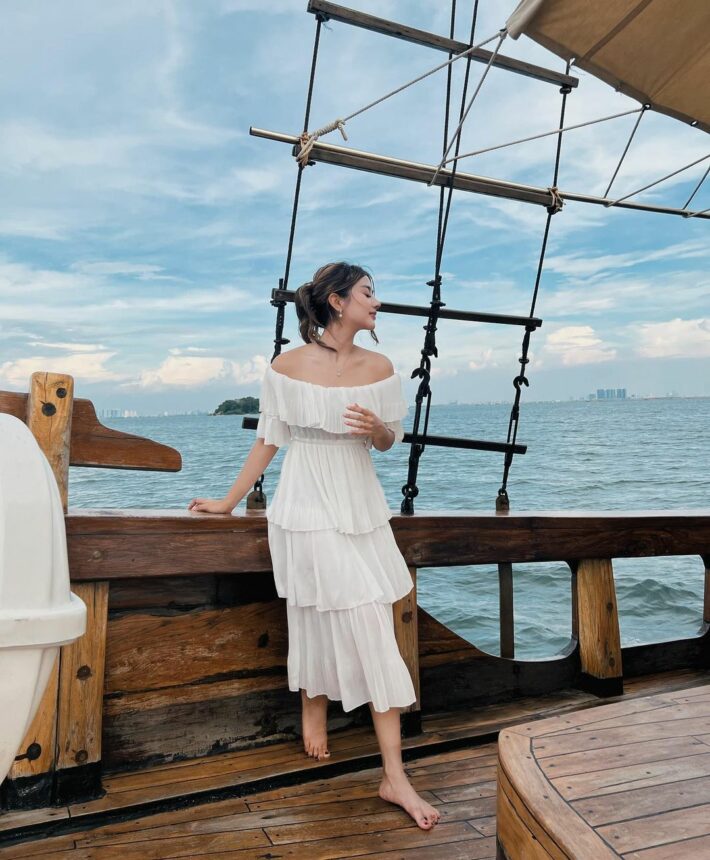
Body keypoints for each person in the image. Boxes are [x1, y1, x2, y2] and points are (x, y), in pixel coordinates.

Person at [188, 262, 441, 831]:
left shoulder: (380, 366)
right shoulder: (287, 365)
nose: (377, 303)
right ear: (336, 300)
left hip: (359, 503)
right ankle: (375, 759)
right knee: (335, 611)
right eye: (368, 294)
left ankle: (350, 740)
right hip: (304, 504)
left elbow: (387, 442)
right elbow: (270, 438)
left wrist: (376, 425)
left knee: (357, 613)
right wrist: (229, 502)